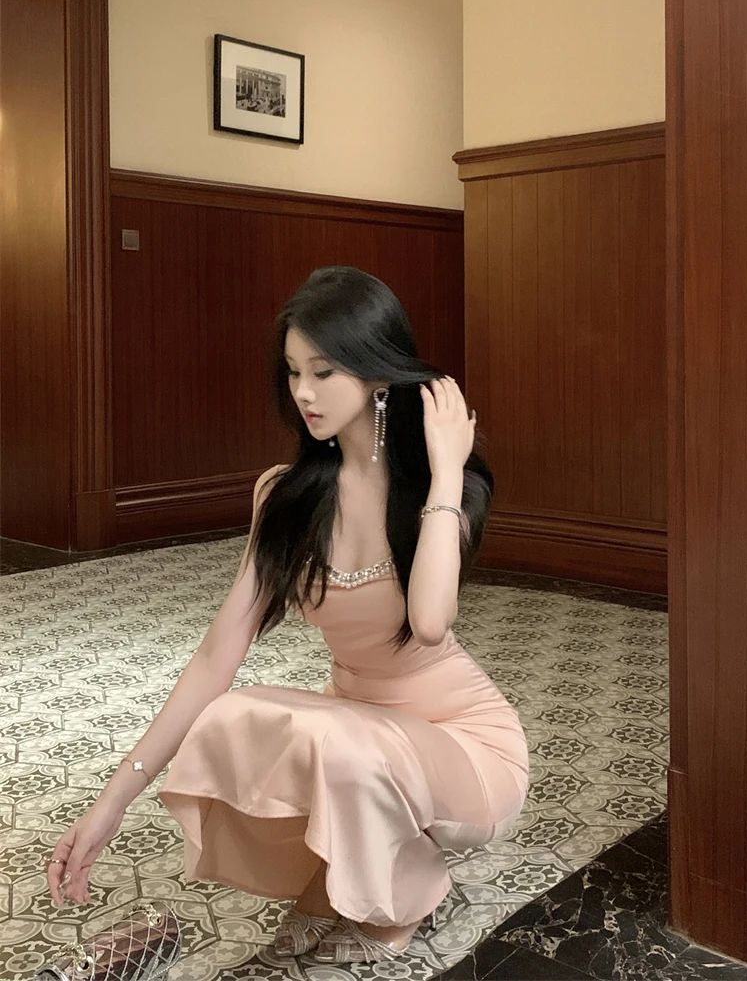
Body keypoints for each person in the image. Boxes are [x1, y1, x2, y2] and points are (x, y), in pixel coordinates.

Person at [46, 267, 529, 964]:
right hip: (357, 739)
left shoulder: (442, 487)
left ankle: (405, 887)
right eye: (294, 371)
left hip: (464, 751)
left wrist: (449, 469)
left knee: (342, 745)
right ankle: (343, 872)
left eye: (324, 371)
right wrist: (112, 801)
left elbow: (429, 622)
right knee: (235, 715)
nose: (303, 391)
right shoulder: (285, 496)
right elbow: (215, 658)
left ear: (378, 373)